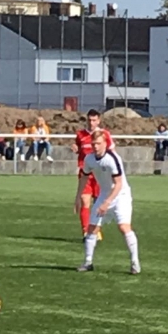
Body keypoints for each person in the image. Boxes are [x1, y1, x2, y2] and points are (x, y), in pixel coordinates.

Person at [75, 130, 140, 275]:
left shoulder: (112, 159)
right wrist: (78, 197)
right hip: (104, 194)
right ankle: (88, 262)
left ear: (105, 144)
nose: (95, 147)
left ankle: (135, 262)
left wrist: (107, 203)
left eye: (98, 143)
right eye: (93, 144)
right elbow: (84, 177)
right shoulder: (89, 159)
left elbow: (118, 184)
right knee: (92, 228)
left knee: (124, 227)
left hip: (121, 195)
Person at [72, 109, 114, 239]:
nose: (91, 123)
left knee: (98, 203)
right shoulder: (80, 135)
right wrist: (76, 149)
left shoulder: (104, 134)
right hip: (85, 174)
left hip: (100, 174)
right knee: (85, 201)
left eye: (94, 120)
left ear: (99, 121)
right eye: (89, 120)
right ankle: (86, 231)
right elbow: (79, 148)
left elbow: (112, 152)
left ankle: (96, 229)